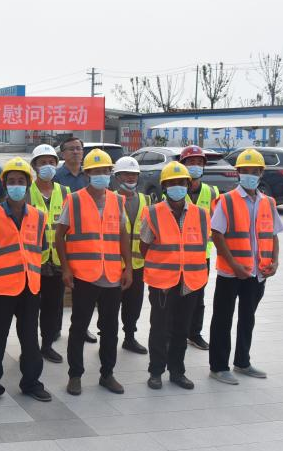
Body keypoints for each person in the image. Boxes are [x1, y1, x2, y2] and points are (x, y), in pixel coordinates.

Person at [55, 149, 133, 397]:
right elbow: (59, 235)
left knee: (110, 328)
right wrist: (66, 268)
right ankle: (75, 375)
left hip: (111, 275)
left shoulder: (116, 200)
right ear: (87, 174)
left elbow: (122, 235)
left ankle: (107, 374)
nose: (101, 175)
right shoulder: (74, 200)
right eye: (96, 171)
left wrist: (128, 267)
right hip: (84, 275)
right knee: (79, 327)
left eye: (105, 171)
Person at [0, 157, 52, 404]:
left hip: (30, 287)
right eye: (12, 181)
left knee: (30, 339)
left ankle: (31, 383)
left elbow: (41, 248)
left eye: (21, 181)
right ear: (5, 185)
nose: (16, 185)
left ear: (28, 184)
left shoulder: (39, 216)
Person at [209, 149, 283, 385]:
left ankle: (242, 362)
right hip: (230, 273)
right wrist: (234, 264)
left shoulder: (268, 202)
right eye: (245, 171)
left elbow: (273, 235)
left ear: (261, 173)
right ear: (238, 173)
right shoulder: (227, 200)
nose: (250, 175)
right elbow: (217, 235)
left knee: (247, 318)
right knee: (223, 319)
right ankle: (219, 367)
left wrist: (275, 262)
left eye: (255, 171)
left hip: (257, 273)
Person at [140, 162, 210, 390]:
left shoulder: (201, 214)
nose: (177, 187)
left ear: (188, 185)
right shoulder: (153, 213)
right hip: (162, 282)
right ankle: (156, 372)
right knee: (159, 328)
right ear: (164, 187)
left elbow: (202, 245)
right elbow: (144, 246)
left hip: (190, 282)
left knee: (181, 329)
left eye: (181, 183)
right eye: (172, 183)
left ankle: (177, 372)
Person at [53, 137, 98, 345]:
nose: (76, 152)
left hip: (85, 240)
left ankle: (82, 327)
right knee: (59, 291)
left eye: (79, 148)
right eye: (71, 149)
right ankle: (54, 329)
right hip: (63, 235)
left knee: (83, 293)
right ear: (63, 153)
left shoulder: (89, 175)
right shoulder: (56, 177)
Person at [29, 144, 69, 364]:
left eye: (51, 162)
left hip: (57, 261)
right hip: (33, 262)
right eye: (42, 162)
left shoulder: (65, 192)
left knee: (53, 307)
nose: (47, 166)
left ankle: (46, 345)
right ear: (35, 166)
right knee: (29, 308)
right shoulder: (27, 192)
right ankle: (30, 347)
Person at [180, 145, 220, 351]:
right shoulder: (173, 189)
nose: (195, 166)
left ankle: (194, 334)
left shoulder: (212, 192)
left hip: (201, 255)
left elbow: (218, 224)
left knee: (198, 297)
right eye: (191, 162)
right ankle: (174, 332)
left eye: (199, 162)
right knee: (176, 296)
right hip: (177, 255)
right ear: (183, 165)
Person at [114, 157, 150, 355]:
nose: (130, 177)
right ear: (117, 177)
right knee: (110, 306)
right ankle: (108, 338)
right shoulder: (109, 199)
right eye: (126, 174)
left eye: (134, 174)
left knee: (133, 305)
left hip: (137, 264)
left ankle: (129, 338)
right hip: (113, 264)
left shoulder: (147, 200)